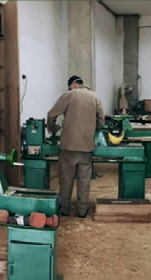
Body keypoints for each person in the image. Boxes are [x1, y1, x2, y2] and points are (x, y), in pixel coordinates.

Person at [47, 75, 105, 217]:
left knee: (66, 180)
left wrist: (53, 128)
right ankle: (82, 211)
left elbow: (51, 114)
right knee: (84, 181)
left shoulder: (69, 95)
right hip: (86, 147)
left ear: (73, 85)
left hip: (68, 147)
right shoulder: (95, 98)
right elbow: (101, 123)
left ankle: (65, 210)